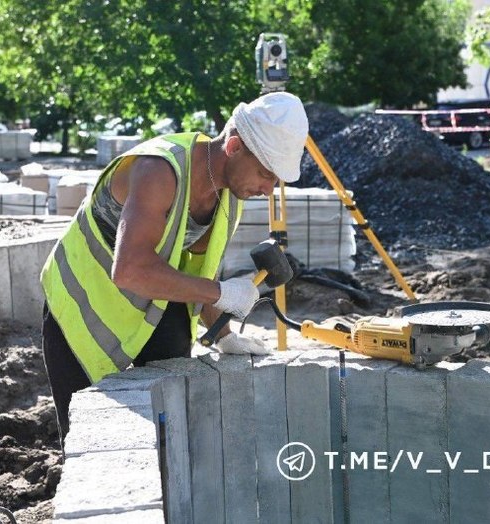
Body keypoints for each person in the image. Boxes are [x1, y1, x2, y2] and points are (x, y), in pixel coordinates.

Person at [39, 92, 309, 443]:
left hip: (151, 304)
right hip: (83, 305)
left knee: (171, 430)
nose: (267, 189)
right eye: (264, 174)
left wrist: (225, 336)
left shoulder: (229, 196)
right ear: (234, 146)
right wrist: (223, 293)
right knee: (89, 439)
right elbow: (131, 269)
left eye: (275, 181)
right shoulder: (159, 169)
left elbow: (198, 273)